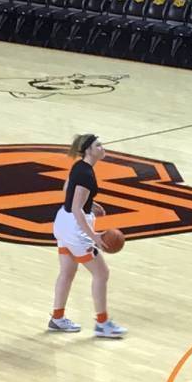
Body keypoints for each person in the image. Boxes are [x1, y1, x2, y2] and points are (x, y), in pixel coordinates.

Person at [48, 133, 123, 338]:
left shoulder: (79, 167)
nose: (102, 147)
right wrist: (95, 236)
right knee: (102, 273)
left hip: (63, 222)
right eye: (99, 145)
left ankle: (57, 318)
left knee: (66, 273)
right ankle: (102, 324)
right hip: (75, 228)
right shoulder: (86, 174)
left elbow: (67, 189)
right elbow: (76, 208)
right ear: (89, 150)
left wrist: (92, 204)